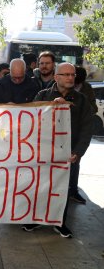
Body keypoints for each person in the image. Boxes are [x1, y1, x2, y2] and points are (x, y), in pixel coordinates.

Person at [23, 62, 92, 238]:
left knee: (63, 189)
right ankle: (36, 218)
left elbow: (86, 128)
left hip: (69, 154)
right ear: (56, 77)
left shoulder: (81, 99)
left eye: (72, 75)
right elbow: (32, 120)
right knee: (40, 186)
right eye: (66, 74)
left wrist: (78, 152)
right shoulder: (43, 95)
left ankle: (59, 222)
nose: (70, 78)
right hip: (44, 152)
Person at [67, 65, 98, 204]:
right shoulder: (62, 87)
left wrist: (79, 107)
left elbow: (93, 108)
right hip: (62, 130)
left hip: (77, 132)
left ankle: (72, 191)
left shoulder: (87, 89)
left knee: (75, 163)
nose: (72, 79)